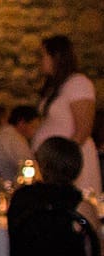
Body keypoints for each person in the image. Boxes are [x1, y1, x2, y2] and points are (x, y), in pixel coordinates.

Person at [34, 34, 99, 192]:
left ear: (56, 57)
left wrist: (61, 161)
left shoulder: (78, 83)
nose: (40, 60)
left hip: (69, 164)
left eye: (43, 55)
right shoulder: (56, 87)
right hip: (52, 166)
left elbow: (83, 129)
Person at [0, 104, 40, 184]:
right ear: (22, 123)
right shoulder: (16, 139)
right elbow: (29, 168)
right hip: (8, 186)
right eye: (33, 126)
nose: (34, 132)